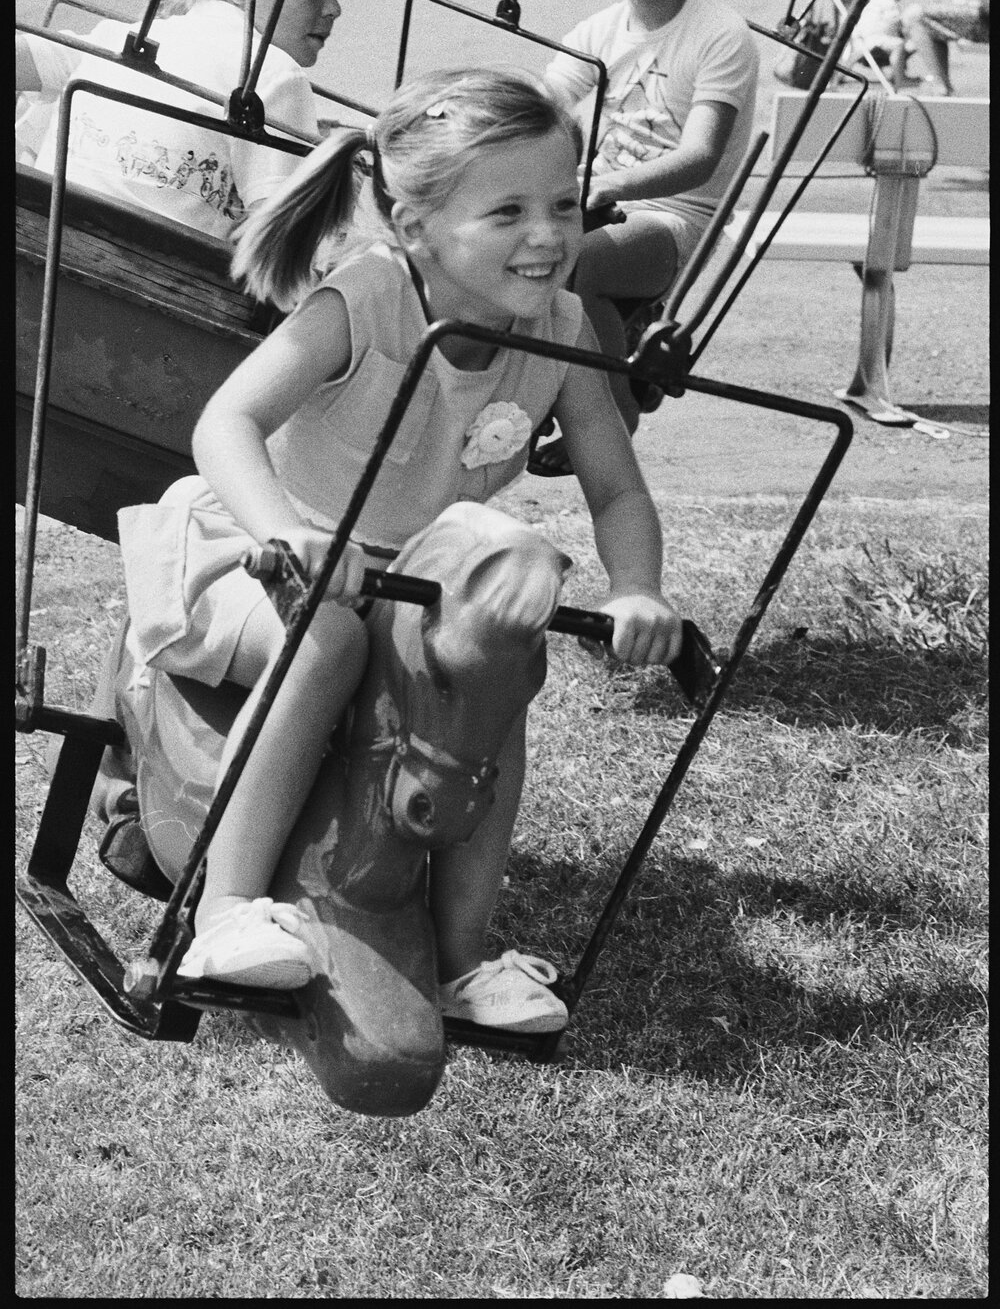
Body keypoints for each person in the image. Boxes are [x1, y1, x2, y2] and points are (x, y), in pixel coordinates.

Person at [115, 68, 685, 1031]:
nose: (547, 235)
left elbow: (617, 486)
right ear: (414, 222)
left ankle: (465, 963)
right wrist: (285, 532)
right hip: (260, 556)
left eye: (563, 202)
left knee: (504, 667)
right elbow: (228, 423)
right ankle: (221, 912)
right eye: (505, 211)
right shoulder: (367, 299)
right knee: (329, 642)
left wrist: (638, 587)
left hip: (409, 583)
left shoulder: (563, 326)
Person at [15, 0, 366, 237]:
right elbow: (283, 240)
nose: (334, 9)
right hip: (161, 278)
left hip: (46, 240)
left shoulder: (122, 39)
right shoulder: (273, 74)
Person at [540, 0, 759, 458]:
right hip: (599, 201)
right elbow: (542, 105)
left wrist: (599, 184)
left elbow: (699, 159)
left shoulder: (720, 34)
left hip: (676, 216)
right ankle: (541, 391)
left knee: (570, 261)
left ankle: (617, 416)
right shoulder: (600, 28)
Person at [848, 0, 912, 88]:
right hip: (880, 42)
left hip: (861, 43)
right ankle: (899, 79)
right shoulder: (890, 3)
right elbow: (896, 22)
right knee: (902, 44)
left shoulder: (870, 3)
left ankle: (835, 78)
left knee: (852, 55)